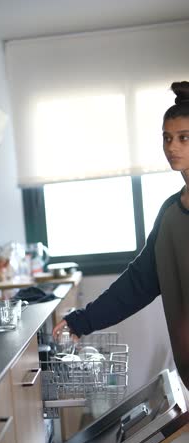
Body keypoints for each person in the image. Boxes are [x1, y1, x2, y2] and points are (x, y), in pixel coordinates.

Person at [53, 80, 189, 390]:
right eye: (167, 138)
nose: (172, 147)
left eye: (184, 138)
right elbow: (137, 283)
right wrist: (81, 321)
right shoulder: (170, 214)